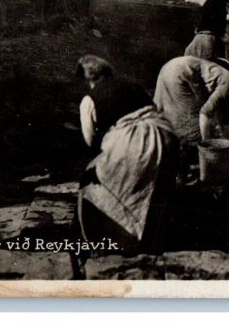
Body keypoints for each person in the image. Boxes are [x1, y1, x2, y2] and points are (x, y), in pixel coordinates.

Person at [75, 55, 179, 254]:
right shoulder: (134, 86)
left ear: (88, 79)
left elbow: (90, 141)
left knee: (104, 188)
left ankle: (121, 242)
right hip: (166, 136)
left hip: (133, 141)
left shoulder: (89, 100)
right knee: (158, 193)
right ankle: (155, 244)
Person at [153, 55, 229, 182]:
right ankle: (182, 172)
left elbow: (222, 116)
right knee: (191, 126)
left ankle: (175, 166)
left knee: (172, 117)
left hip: (170, 67)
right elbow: (204, 113)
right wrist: (207, 146)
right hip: (179, 75)